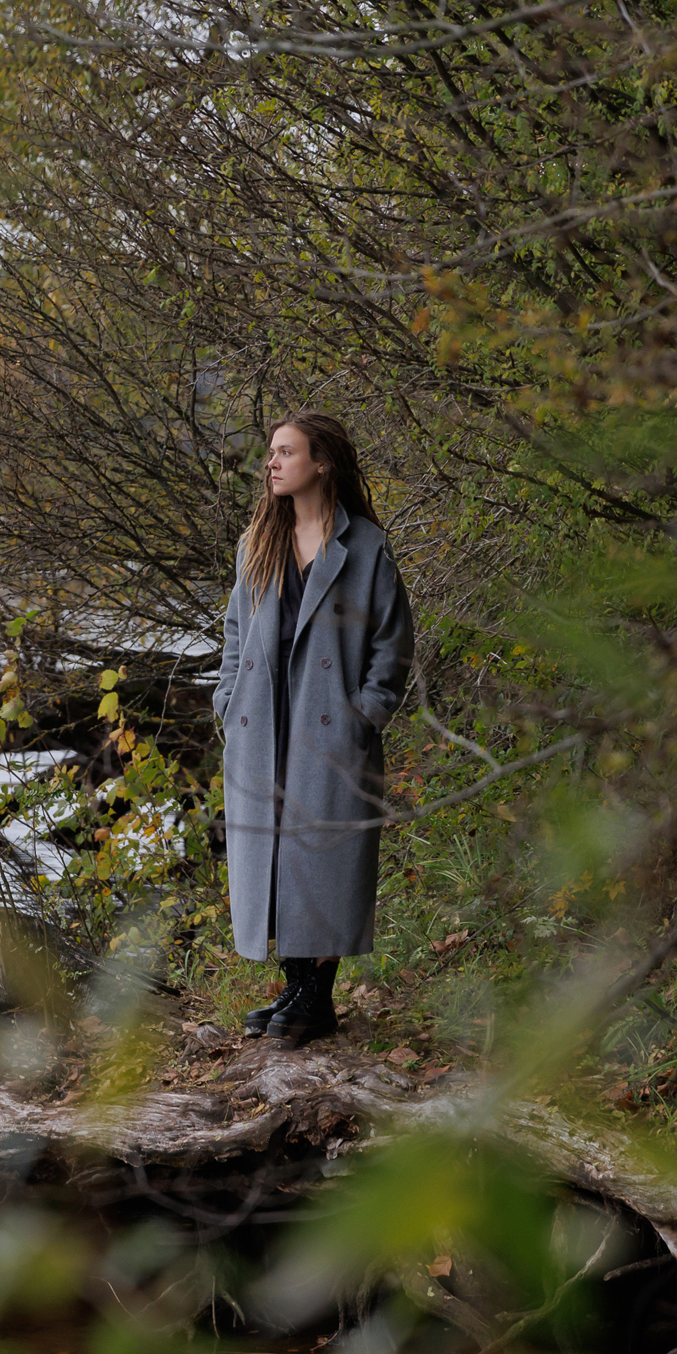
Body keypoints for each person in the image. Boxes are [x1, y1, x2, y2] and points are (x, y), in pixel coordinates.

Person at [211, 412, 417, 1044]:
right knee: (273, 857)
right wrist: (227, 700)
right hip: (260, 728)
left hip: (330, 731)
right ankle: (300, 991)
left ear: (321, 462)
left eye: (285, 452)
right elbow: (234, 635)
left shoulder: (364, 549)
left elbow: (393, 642)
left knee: (323, 856)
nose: (271, 463)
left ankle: (312, 997)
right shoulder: (258, 544)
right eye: (271, 453)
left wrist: (366, 714)